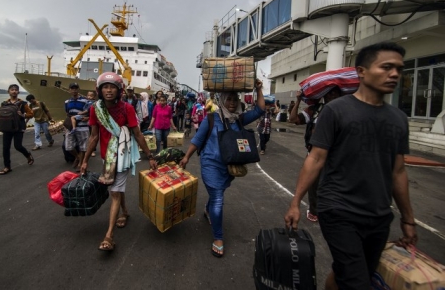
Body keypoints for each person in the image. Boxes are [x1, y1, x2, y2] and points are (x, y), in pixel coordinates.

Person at [284, 42, 418, 290]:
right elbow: (315, 158)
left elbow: (398, 171)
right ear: (362, 72)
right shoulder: (335, 111)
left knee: (355, 272)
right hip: (339, 210)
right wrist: (295, 203)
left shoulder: (398, 119)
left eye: (399, 69)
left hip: (378, 214)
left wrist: (408, 219)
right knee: (357, 282)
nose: (394, 74)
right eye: (386, 67)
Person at [179, 79, 266, 257]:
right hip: (210, 164)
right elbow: (197, 140)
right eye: (229, 99)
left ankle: (207, 210)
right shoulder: (211, 118)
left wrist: (259, 89)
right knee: (218, 197)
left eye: (235, 99)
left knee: (217, 193)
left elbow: (260, 110)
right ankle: (218, 238)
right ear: (222, 100)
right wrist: (186, 157)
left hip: (230, 166)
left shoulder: (240, 118)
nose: (232, 103)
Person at [80, 72, 157, 252]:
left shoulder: (127, 109)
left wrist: (150, 156)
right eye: (105, 87)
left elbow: (137, 134)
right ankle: (125, 212)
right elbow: (93, 137)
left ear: (119, 90)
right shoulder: (95, 109)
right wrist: (84, 161)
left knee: (115, 191)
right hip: (106, 157)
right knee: (117, 187)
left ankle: (109, 235)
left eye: (112, 87)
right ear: (99, 90)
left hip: (123, 156)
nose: (108, 90)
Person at [288, 86, 342, 222]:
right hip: (315, 153)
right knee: (313, 183)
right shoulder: (315, 110)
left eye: (336, 93)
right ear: (324, 95)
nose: (333, 96)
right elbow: (293, 119)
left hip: (337, 156)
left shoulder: (345, 111)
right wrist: (298, 100)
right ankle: (314, 210)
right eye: (330, 93)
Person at [0, 84, 34, 175]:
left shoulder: (23, 103)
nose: (14, 91)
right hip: (7, 128)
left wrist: (23, 115)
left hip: (19, 127)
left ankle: (28, 155)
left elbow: (31, 113)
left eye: (16, 90)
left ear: (18, 92)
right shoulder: (4, 104)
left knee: (18, 146)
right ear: (8, 92)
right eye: (12, 90)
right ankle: (7, 167)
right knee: (5, 148)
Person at [64, 83, 92, 168]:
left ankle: (80, 163)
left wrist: (88, 118)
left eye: (76, 88)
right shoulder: (67, 102)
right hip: (71, 127)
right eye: (72, 88)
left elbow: (91, 112)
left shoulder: (85, 101)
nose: (74, 90)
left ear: (78, 90)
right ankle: (78, 157)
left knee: (83, 146)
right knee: (68, 146)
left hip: (83, 125)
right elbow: (67, 113)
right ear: (69, 90)